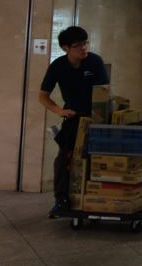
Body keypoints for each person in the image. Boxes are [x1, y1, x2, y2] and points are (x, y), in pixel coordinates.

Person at [38, 26, 109, 215]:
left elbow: (103, 92)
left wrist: (99, 117)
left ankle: (97, 198)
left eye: (85, 43)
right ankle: (61, 200)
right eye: (78, 45)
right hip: (73, 116)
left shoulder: (95, 61)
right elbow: (43, 95)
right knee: (64, 158)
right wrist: (60, 111)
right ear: (66, 48)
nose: (83, 48)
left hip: (97, 116)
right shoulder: (58, 66)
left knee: (96, 157)